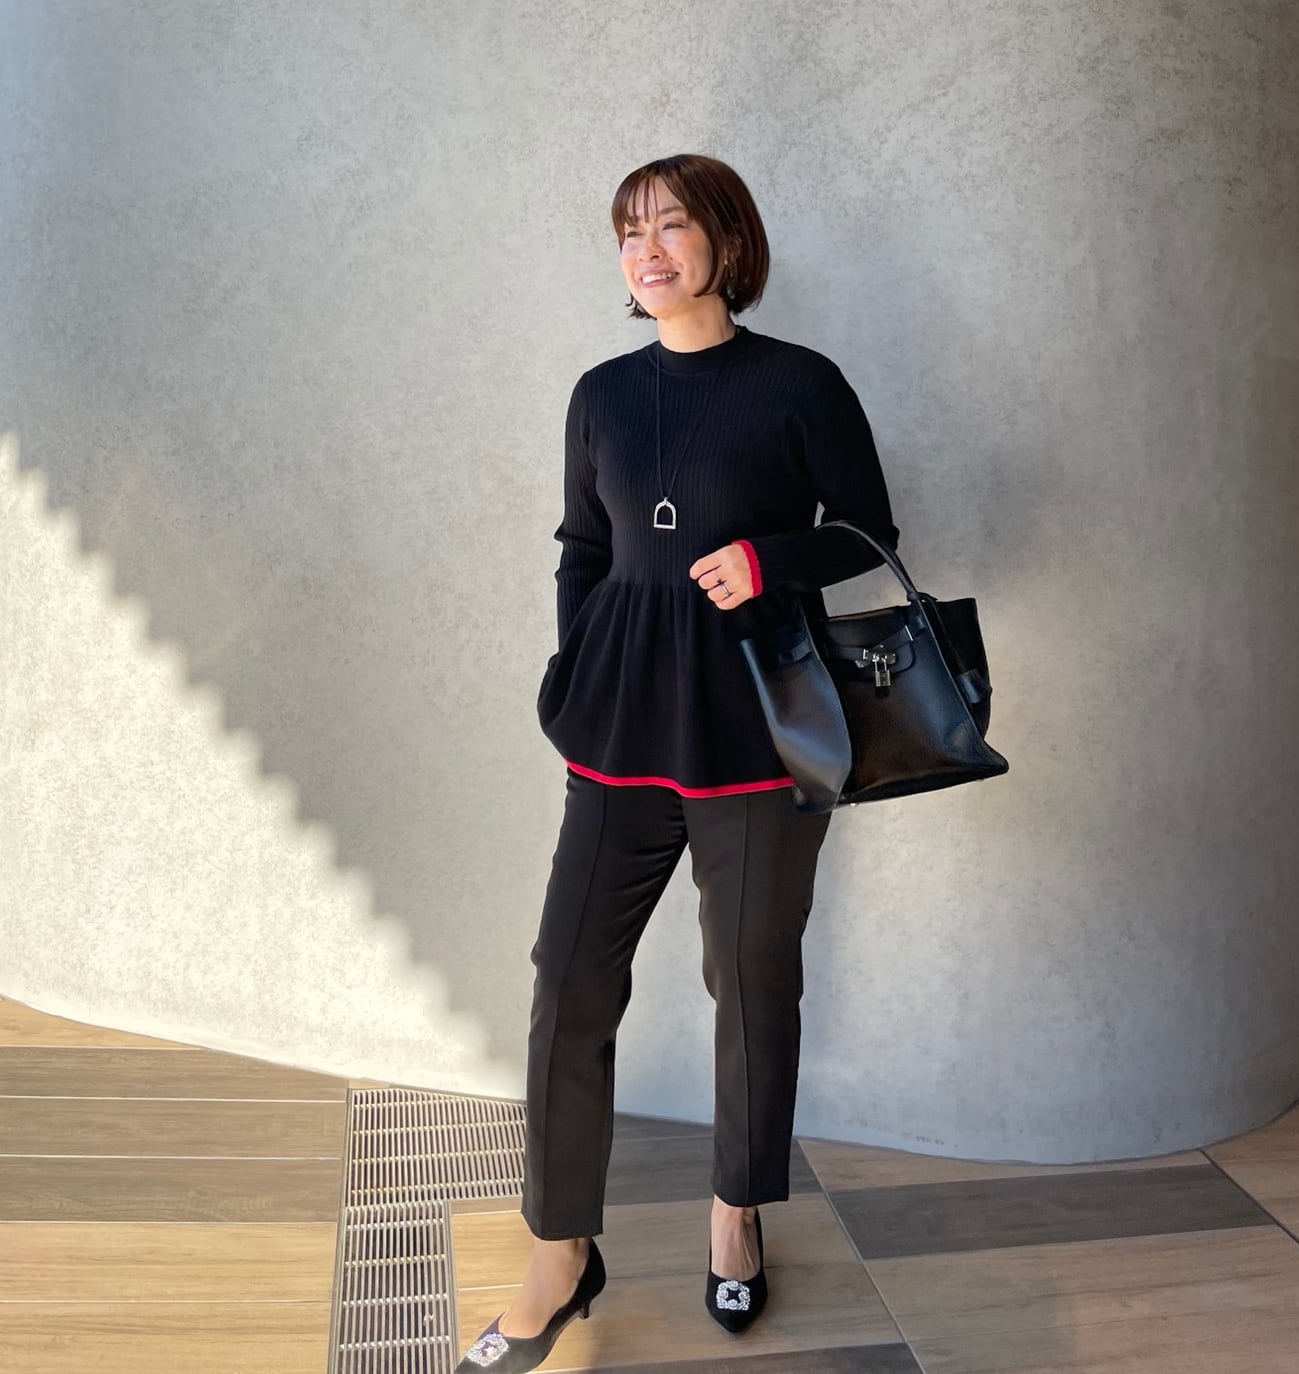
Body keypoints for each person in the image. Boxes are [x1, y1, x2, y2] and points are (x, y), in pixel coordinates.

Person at [456, 153, 900, 1373]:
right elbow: (582, 548)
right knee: (568, 981)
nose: (647, 251)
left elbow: (869, 534)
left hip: (757, 736)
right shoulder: (601, 394)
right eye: (629, 232)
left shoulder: (800, 384)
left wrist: (768, 562)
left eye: (672, 226)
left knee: (750, 985)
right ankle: (559, 1253)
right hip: (619, 735)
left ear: (727, 243)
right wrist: (575, 670)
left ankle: (735, 1213)